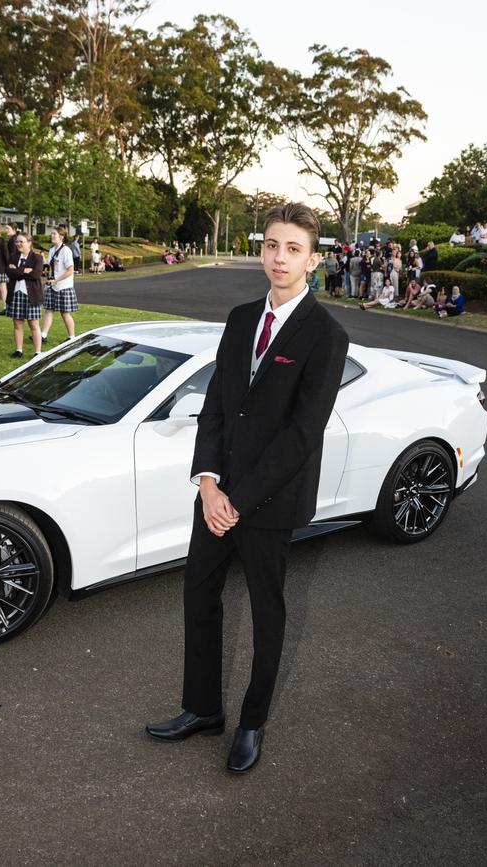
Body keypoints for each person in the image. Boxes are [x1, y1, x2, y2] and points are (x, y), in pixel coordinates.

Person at [146, 202, 349, 774]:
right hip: (216, 496)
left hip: (267, 501)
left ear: (312, 259)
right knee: (198, 599)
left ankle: (252, 722)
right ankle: (201, 708)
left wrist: (238, 499)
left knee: (267, 612)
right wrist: (209, 485)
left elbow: (303, 434)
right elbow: (214, 407)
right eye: (270, 245)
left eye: (292, 249)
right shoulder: (240, 319)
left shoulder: (327, 336)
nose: (278, 257)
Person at [6, 233, 44, 358]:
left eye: (21, 241)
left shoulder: (37, 258)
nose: (18, 244)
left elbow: (36, 275)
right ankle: (19, 350)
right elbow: (10, 273)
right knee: (17, 323)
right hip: (15, 294)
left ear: (29, 242)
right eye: (17, 242)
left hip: (31, 295)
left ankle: (38, 352)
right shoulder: (13, 256)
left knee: (33, 324)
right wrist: (25, 270)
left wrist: (17, 270)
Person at [41, 227, 77, 343]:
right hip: (53, 285)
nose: (52, 236)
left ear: (61, 236)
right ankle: (43, 335)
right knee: (48, 310)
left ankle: (72, 337)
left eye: (54, 234)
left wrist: (56, 280)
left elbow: (70, 270)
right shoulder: (52, 250)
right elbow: (52, 267)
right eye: (51, 234)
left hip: (64, 287)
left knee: (65, 313)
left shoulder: (66, 251)